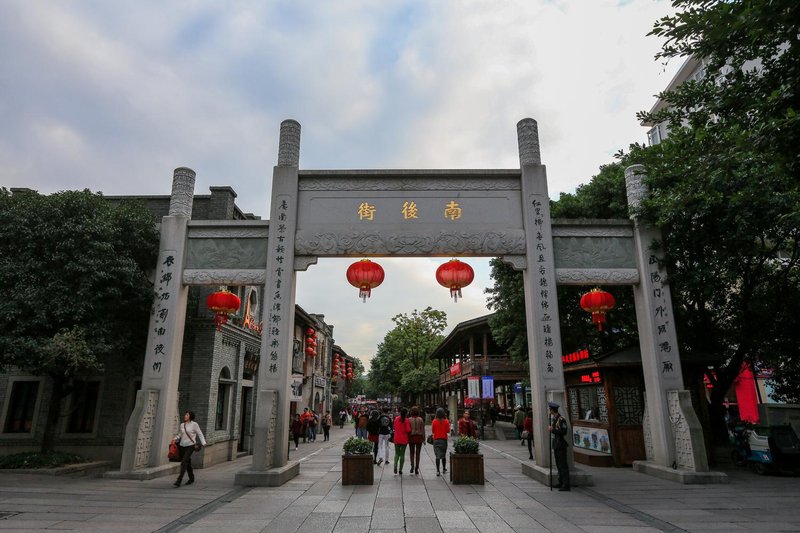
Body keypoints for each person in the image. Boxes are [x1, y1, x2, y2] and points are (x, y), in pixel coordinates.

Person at [173, 410, 206, 487]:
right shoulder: (182, 425)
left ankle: (179, 480)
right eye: (185, 415)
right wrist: (175, 439)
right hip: (182, 446)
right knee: (187, 463)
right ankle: (191, 478)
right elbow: (180, 434)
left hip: (190, 446)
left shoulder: (194, 424)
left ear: (190, 416)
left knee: (184, 462)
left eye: (187, 415)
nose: (185, 416)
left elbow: (200, 434)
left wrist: (203, 442)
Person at [548, 401, 570, 491]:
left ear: (552, 410)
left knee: (563, 465)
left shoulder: (561, 419)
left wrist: (552, 430)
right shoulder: (554, 419)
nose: (549, 411)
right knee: (558, 465)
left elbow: (564, 431)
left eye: (550, 409)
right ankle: (561, 481)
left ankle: (566, 484)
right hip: (556, 444)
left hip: (561, 444)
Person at [431, 407, 451, 476]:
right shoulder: (446, 421)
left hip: (436, 440)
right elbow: (448, 431)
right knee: (443, 455)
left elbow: (433, 431)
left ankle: (437, 470)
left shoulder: (434, 421)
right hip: (443, 440)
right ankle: (444, 468)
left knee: (437, 455)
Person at [393, 406, 412, 475]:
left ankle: (395, 465)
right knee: (402, 454)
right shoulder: (406, 420)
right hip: (404, 439)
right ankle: (400, 469)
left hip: (396, 438)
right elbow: (408, 430)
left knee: (396, 453)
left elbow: (394, 427)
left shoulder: (396, 419)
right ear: (406, 413)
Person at [407, 406, 425, 475]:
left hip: (411, 437)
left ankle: (412, 465)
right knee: (418, 453)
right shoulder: (420, 419)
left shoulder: (409, 419)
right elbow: (423, 430)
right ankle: (417, 467)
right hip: (419, 437)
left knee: (411, 452)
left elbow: (408, 430)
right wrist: (424, 439)